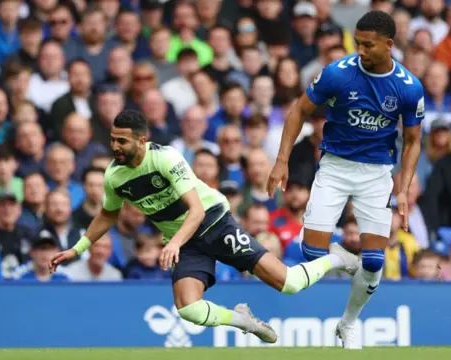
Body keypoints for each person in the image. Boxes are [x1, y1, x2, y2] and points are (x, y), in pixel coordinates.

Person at [50, 109, 359, 344]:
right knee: (189, 309)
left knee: (289, 283)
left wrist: (172, 243)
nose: (114, 145)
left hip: (213, 222)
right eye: (112, 139)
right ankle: (242, 320)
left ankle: (336, 257)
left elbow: (196, 210)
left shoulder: (165, 158)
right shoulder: (114, 176)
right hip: (183, 240)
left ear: (141, 140)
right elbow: (107, 215)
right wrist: (76, 249)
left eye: (122, 140)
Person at [266, 11, 425, 349]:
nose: (360, 50)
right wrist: (281, 161)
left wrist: (405, 187)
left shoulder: (409, 87)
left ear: (388, 44)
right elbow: (298, 111)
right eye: (357, 42)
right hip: (335, 168)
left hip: (377, 174)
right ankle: (341, 258)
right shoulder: (337, 74)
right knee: (311, 253)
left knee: (373, 262)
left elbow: (412, 141)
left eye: (368, 44)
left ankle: (349, 323)